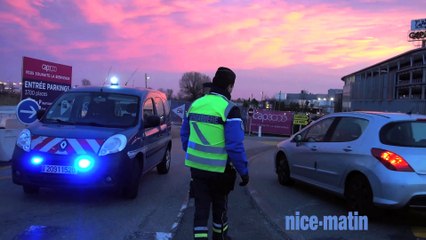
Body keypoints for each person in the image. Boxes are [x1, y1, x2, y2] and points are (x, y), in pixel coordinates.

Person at [180, 66, 249, 240]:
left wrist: (194, 152)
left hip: (197, 170)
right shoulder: (229, 109)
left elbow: (185, 136)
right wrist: (244, 171)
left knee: (200, 211)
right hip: (220, 171)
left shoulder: (196, 104)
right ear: (230, 87)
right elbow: (234, 146)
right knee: (220, 210)